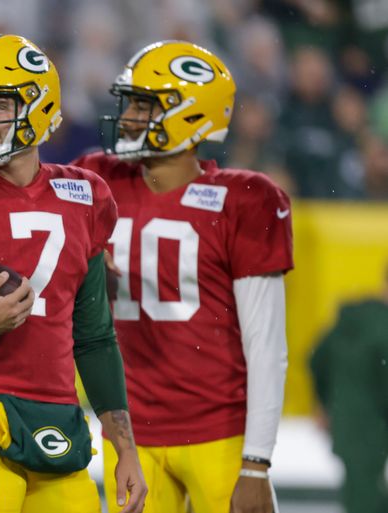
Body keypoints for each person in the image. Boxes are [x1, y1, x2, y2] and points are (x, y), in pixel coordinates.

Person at [0, 34, 147, 513]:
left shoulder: (85, 194)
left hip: (58, 417)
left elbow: (93, 336)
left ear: (39, 105)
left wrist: (123, 443)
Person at [71, 40, 293, 513]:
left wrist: (257, 463)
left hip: (219, 431)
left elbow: (265, 341)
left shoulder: (245, 198)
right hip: (131, 435)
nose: (128, 116)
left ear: (192, 116)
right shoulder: (94, 178)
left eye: (143, 105)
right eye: (129, 102)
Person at [309, 266, 388, 513]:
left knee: (361, 493)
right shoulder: (382, 326)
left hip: (348, 423)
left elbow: (316, 359)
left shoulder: (349, 319)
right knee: (367, 499)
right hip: (373, 424)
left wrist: (325, 403)